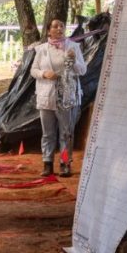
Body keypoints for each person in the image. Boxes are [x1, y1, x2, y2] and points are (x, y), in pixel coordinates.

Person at [30, 19, 87, 178]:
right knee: (48, 133)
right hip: (46, 96)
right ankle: (47, 163)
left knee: (66, 133)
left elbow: (82, 70)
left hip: (68, 96)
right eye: (55, 26)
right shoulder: (41, 50)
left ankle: (64, 163)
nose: (59, 28)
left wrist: (74, 60)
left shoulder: (74, 47)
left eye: (62, 26)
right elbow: (33, 70)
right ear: (49, 31)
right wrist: (44, 74)